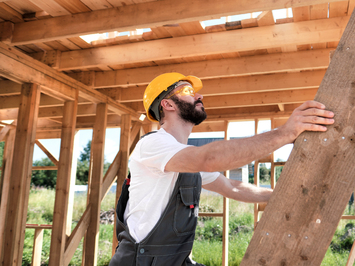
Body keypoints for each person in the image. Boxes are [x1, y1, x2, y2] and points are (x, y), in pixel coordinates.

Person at [110, 73, 334, 266]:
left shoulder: (185, 159)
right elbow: (210, 158)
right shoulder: (152, 145)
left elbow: (232, 187)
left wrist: (282, 196)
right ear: (167, 104)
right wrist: (285, 133)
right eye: (188, 90)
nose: (199, 96)